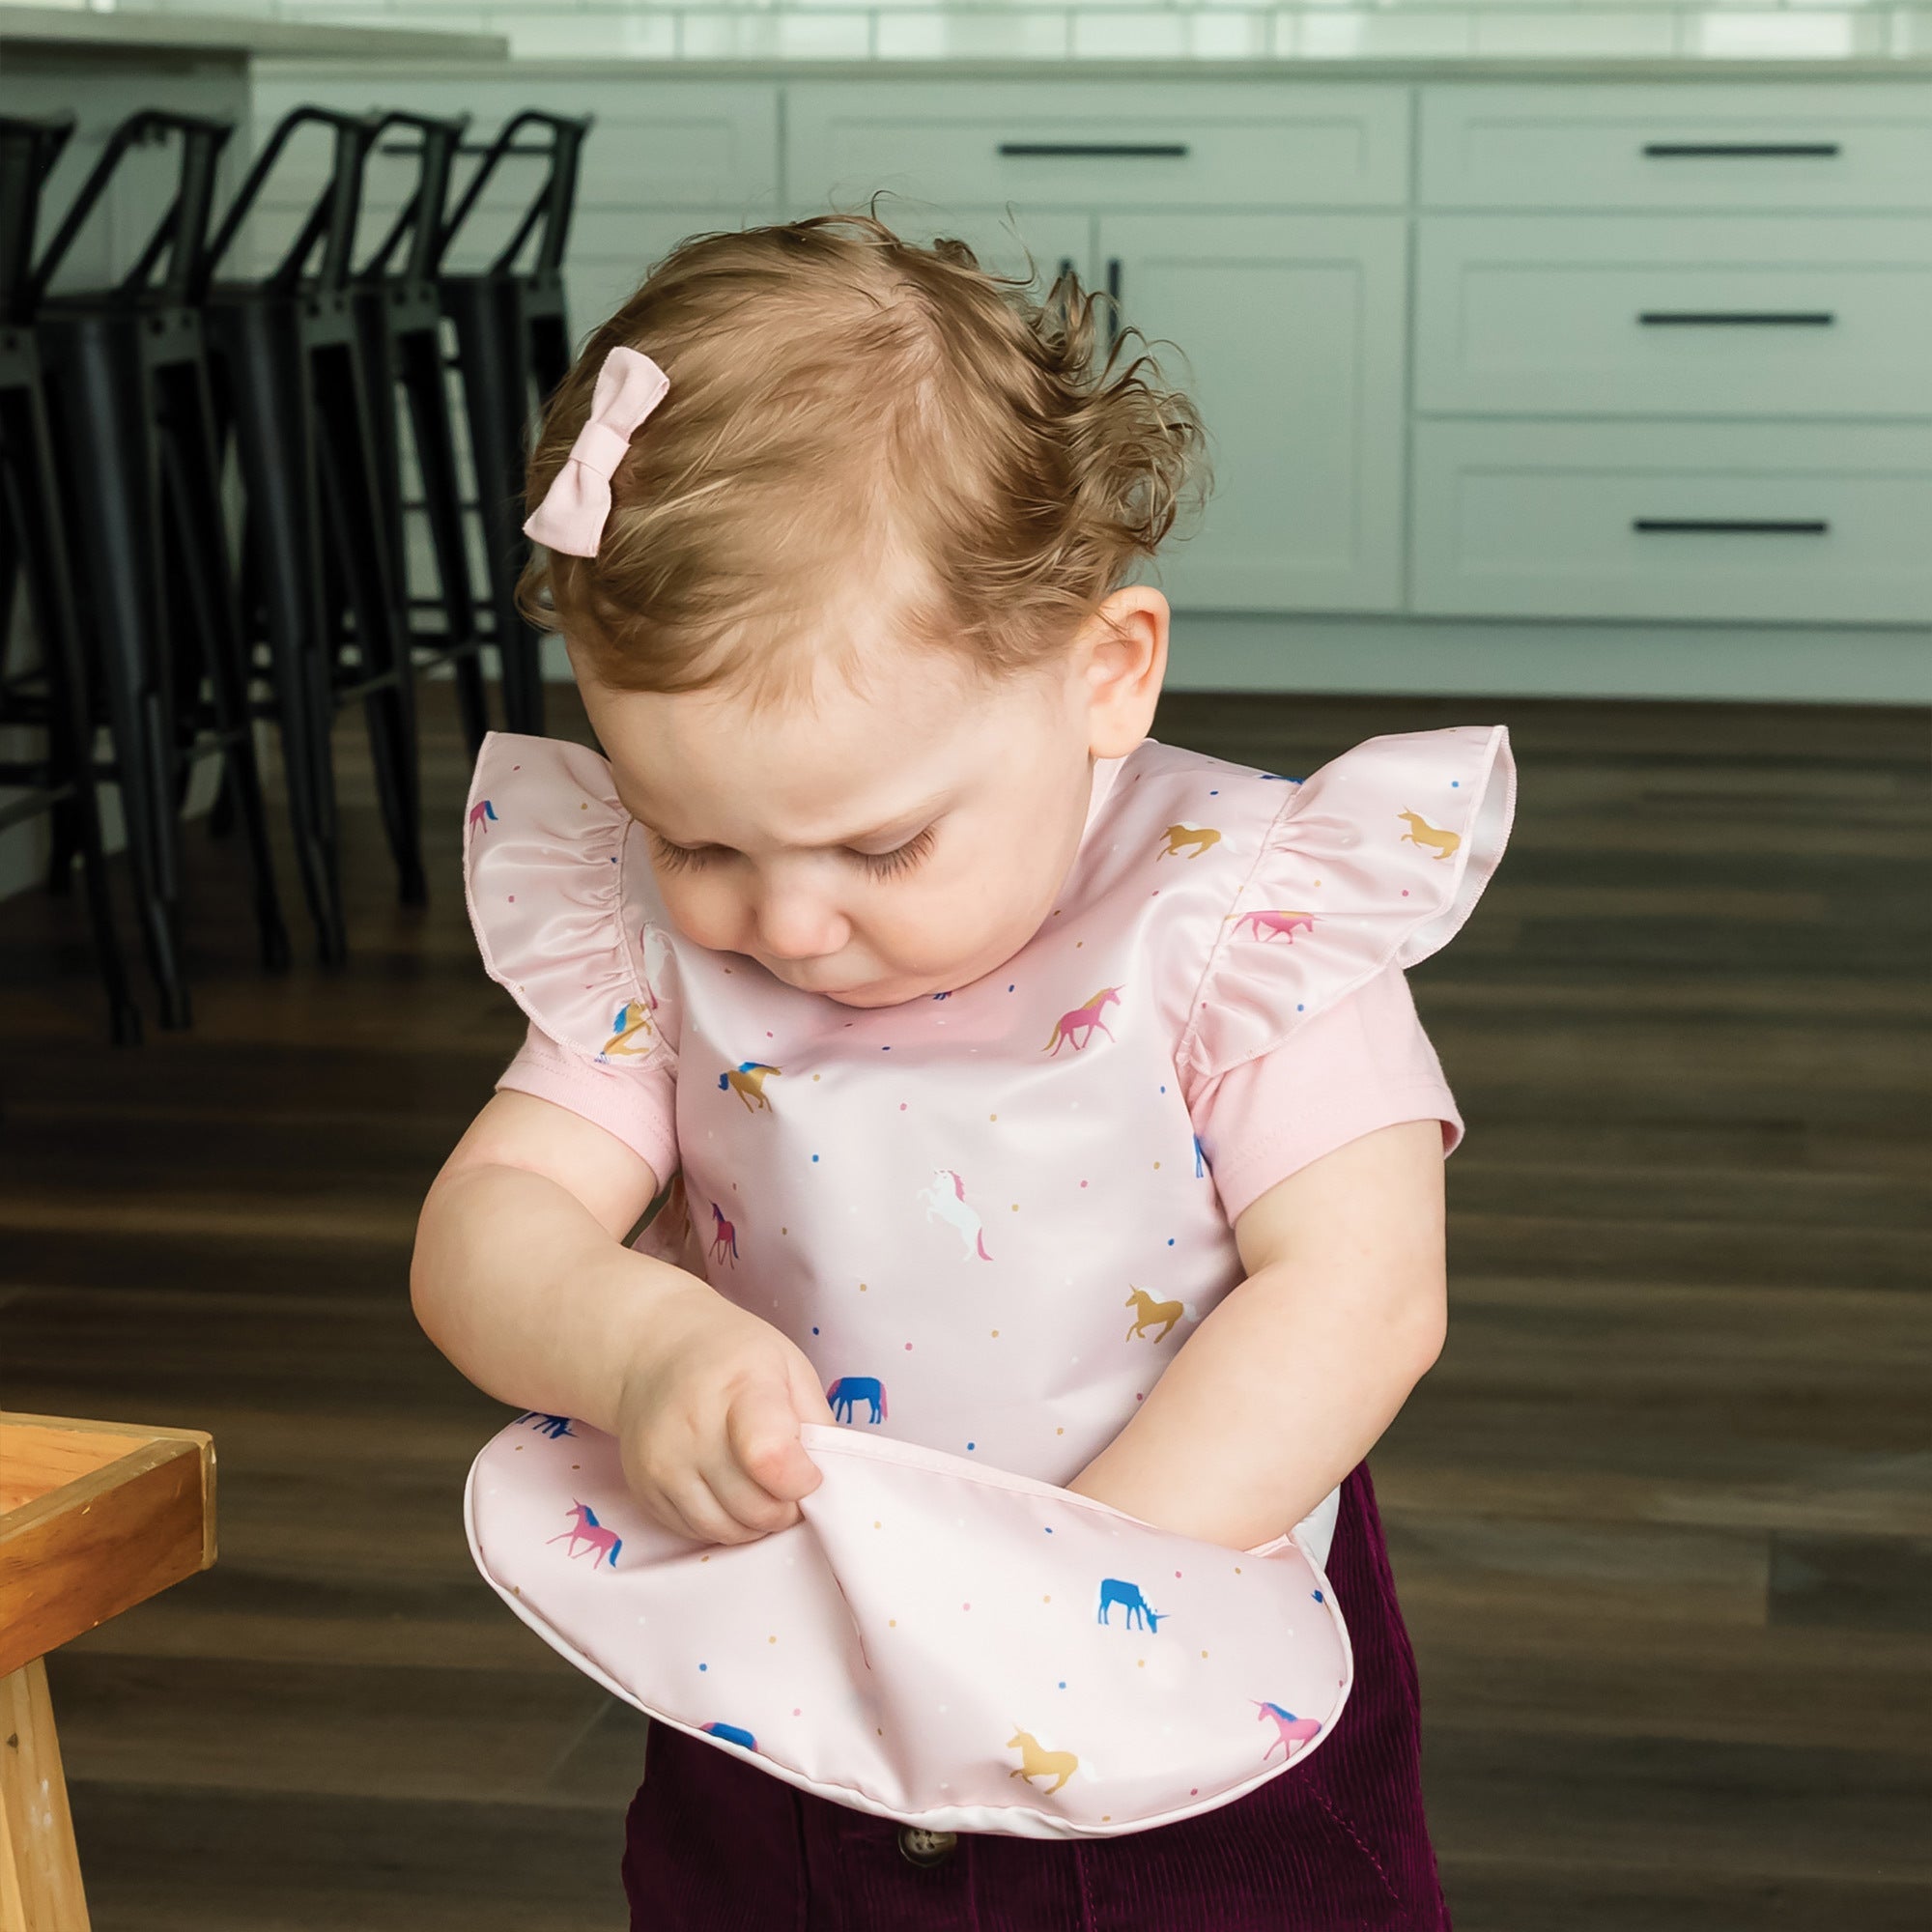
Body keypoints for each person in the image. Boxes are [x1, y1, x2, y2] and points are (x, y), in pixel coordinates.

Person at [411, 212, 1515, 1930]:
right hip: (788, 1681)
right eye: (694, 836)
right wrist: (637, 1341)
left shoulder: (1237, 920)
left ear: (1104, 674)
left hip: (1172, 1696)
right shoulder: (654, 943)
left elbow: (1364, 1296)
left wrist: (1055, 1604)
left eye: (882, 845)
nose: (785, 922)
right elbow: (487, 1230)